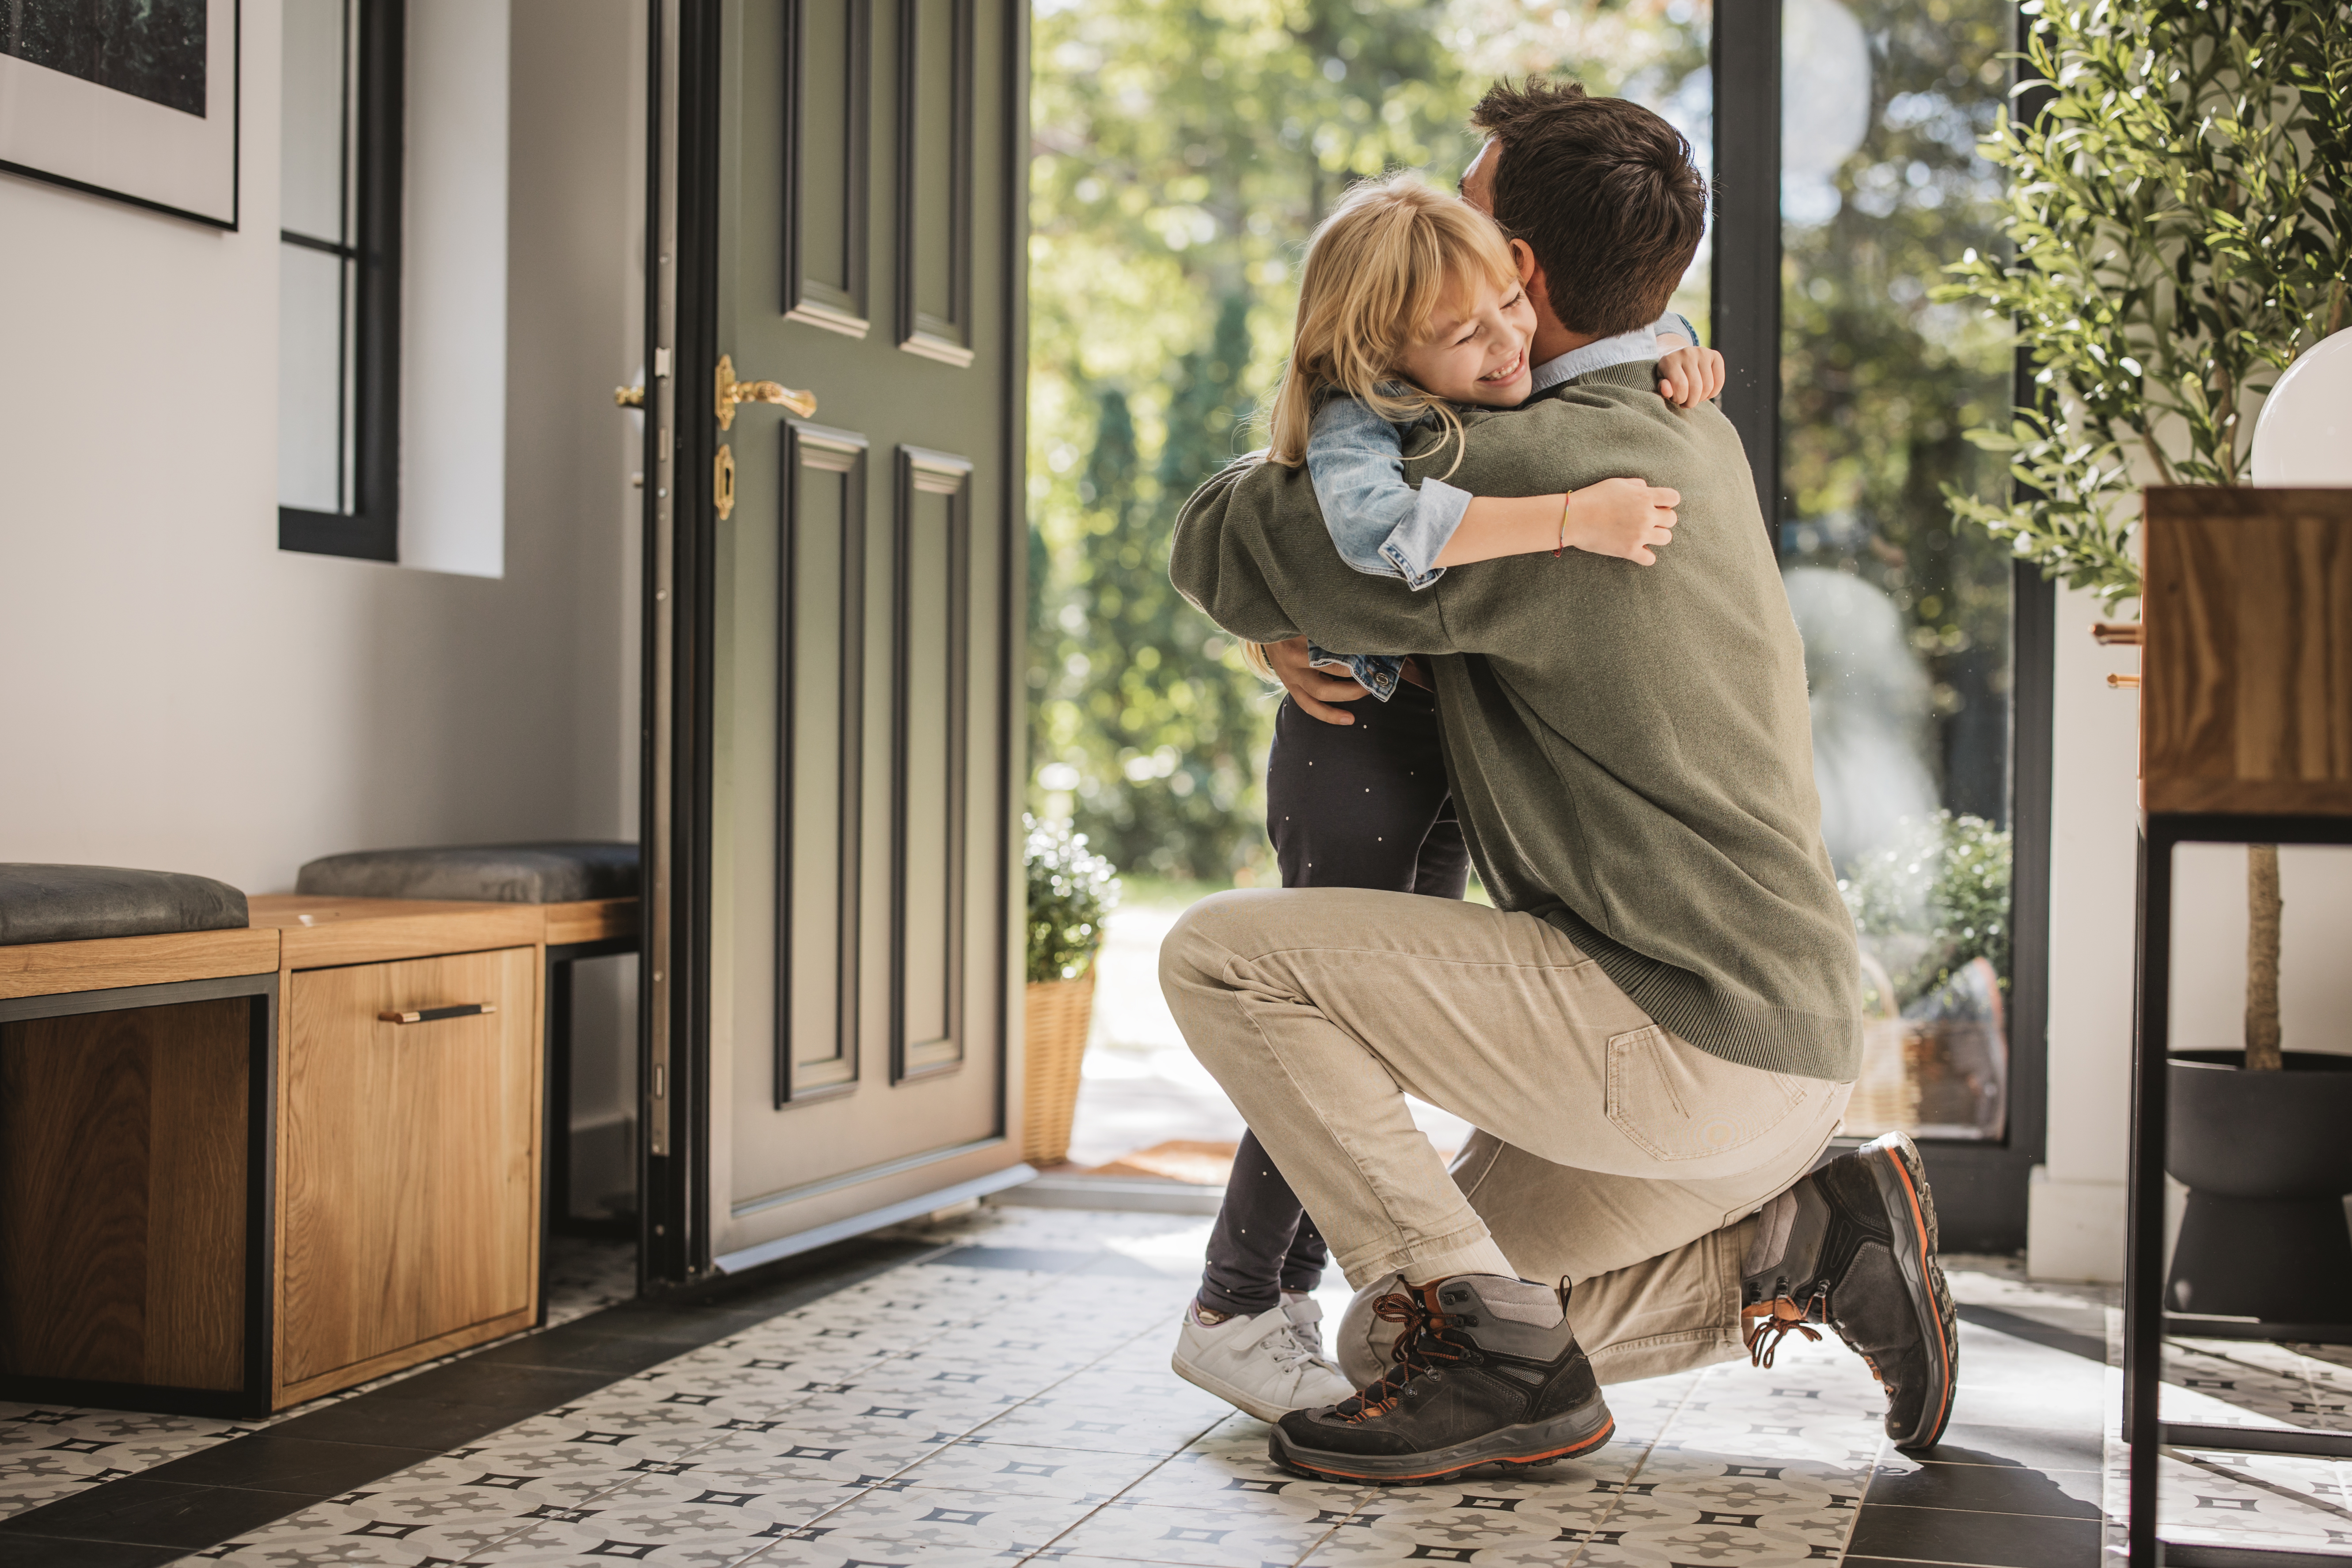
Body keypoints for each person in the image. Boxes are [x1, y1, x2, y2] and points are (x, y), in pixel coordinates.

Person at [1163, 78, 1956, 1485]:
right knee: (1379, 1345)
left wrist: (1295, 606)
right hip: (1775, 1054)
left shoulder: (1515, 469)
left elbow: (1225, 541)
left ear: (1513, 273)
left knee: (1224, 960)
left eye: (1460, 219)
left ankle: (1495, 1356)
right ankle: (1808, 1241)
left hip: (1673, 1037)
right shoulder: (1676, 428)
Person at [1171, 172, 1723, 1423]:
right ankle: (1235, 1302)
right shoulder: (1365, 418)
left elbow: (1634, 332)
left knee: (1356, 1049)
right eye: (1466, 336)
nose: (1505, 344)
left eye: (1506, 313)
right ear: (1377, 354)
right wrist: (1573, 517)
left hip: (1422, 755)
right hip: (1357, 748)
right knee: (1315, 1039)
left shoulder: (1474, 364)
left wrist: (1688, 356)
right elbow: (1373, 535)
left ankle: (1268, 1298)